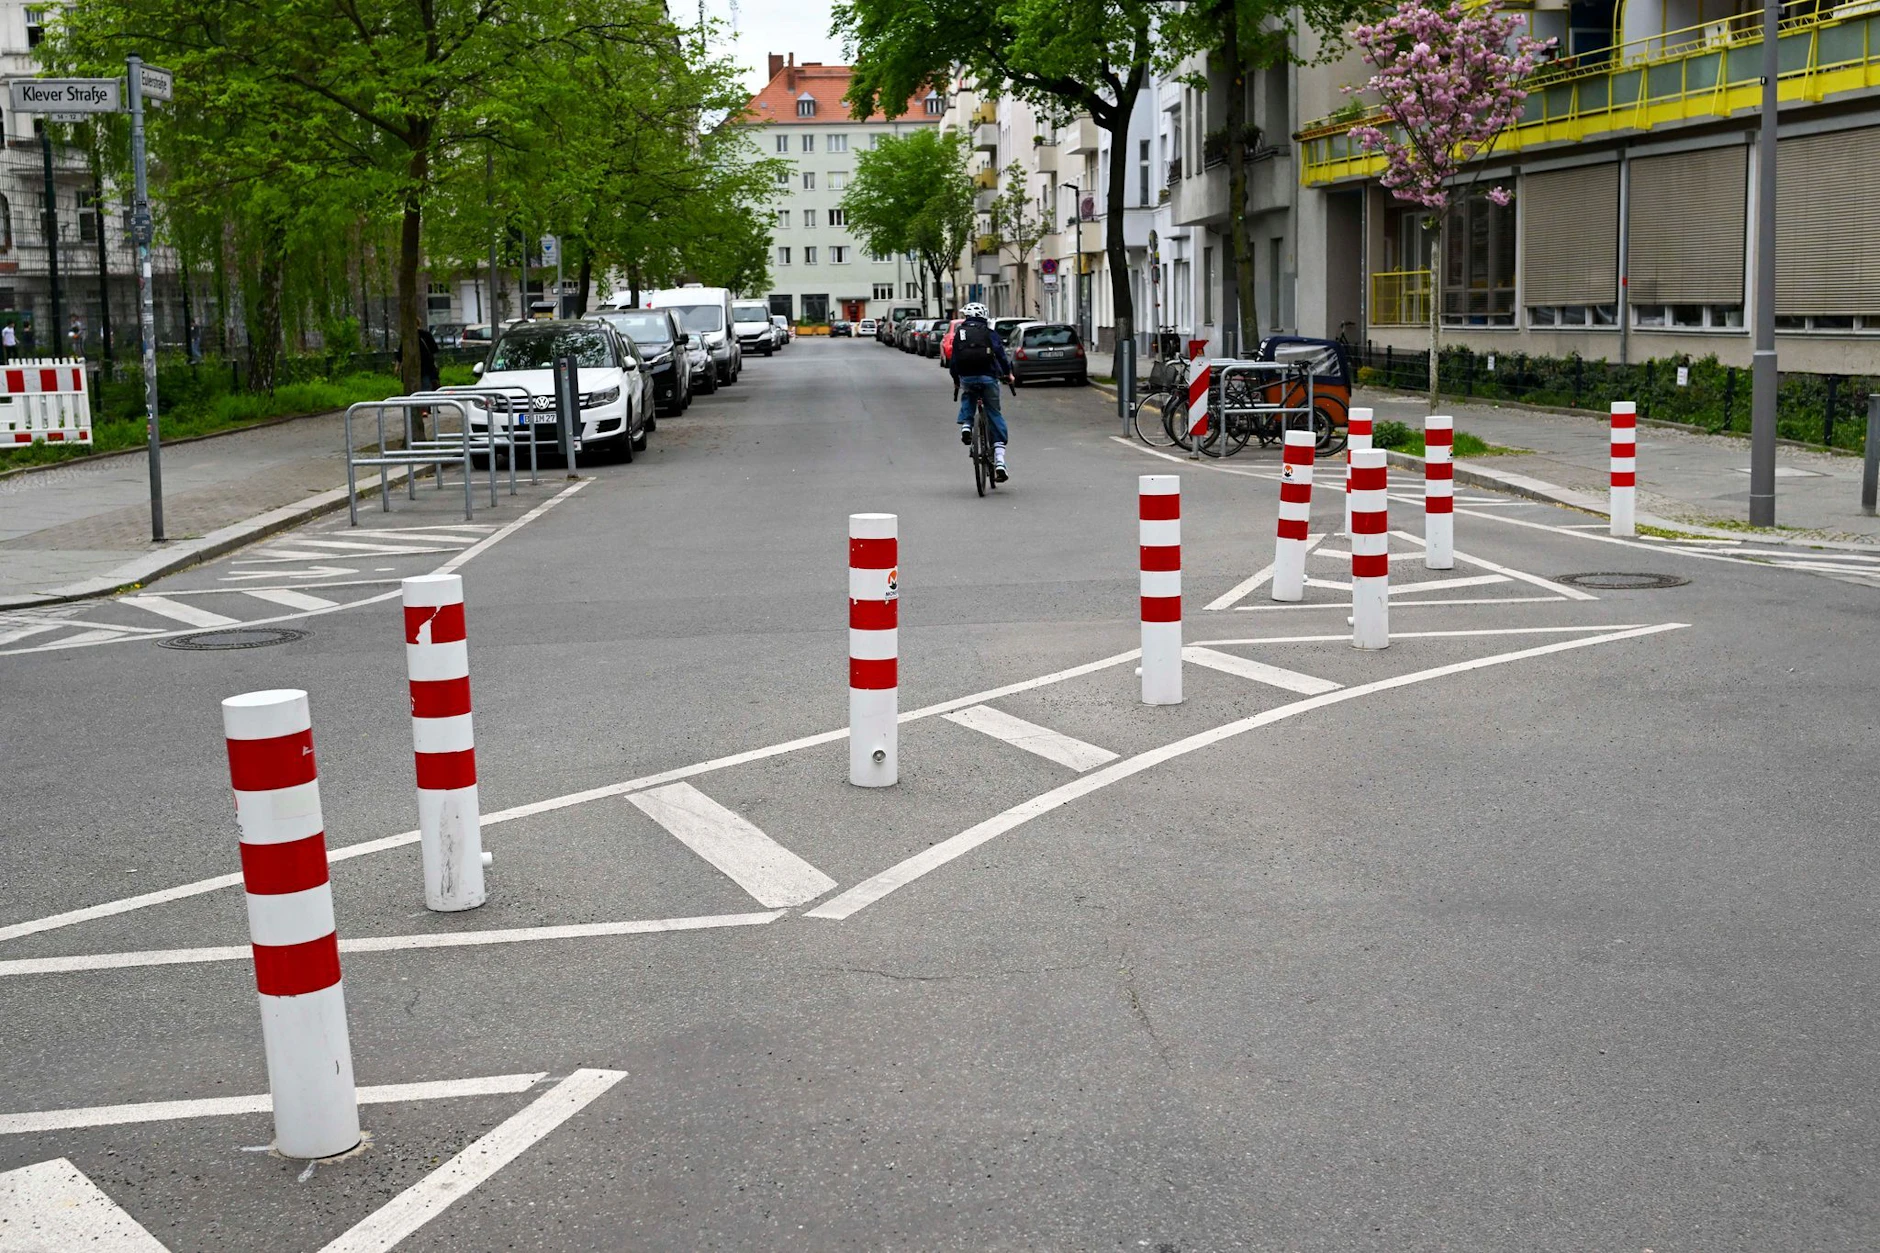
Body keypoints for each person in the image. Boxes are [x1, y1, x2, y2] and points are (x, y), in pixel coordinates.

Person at [947, 302, 1015, 482]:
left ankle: (967, 426)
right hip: (988, 377)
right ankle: (1000, 460)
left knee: (968, 397)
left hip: (967, 377)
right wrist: (1008, 374)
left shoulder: (960, 333)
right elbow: (1000, 355)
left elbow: (954, 360)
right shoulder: (989, 333)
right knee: (994, 413)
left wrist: (956, 380)